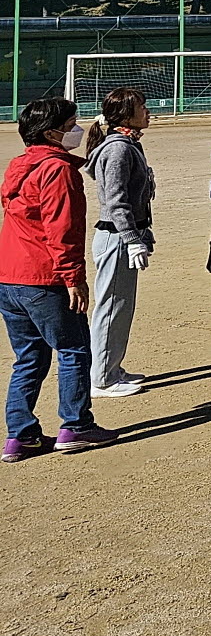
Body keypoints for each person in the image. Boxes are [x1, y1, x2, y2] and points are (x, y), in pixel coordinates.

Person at [1, 98, 117, 460]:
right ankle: (76, 425)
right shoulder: (56, 170)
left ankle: (20, 435)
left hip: (10, 276)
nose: (76, 130)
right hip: (44, 276)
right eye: (71, 124)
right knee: (74, 349)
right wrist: (73, 278)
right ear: (52, 132)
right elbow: (61, 228)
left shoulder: (19, 165)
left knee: (29, 356)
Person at [83, 89, 154, 397]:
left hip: (123, 235)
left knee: (121, 306)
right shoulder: (118, 149)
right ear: (126, 116)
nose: (148, 112)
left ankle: (111, 365)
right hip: (116, 237)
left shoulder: (127, 145)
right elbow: (116, 200)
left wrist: (141, 235)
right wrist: (131, 238)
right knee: (112, 307)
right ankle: (102, 378)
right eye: (142, 107)